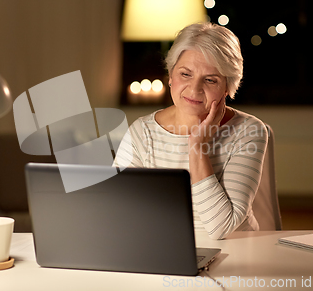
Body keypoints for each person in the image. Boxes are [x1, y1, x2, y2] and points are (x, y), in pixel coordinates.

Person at [114, 22, 268, 240]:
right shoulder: (142, 131)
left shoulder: (249, 131)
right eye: (185, 74)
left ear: (227, 87)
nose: (195, 89)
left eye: (210, 80)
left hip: (235, 255)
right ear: (171, 75)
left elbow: (220, 227)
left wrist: (197, 147)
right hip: (164, 250)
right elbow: (117, 211)